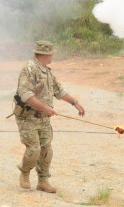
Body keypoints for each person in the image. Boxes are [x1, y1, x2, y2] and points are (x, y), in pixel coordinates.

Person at [12, 40, 85, 193]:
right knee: (34, 149)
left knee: (46, 150)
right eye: (52, 53)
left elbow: (59, 91)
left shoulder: (47, 71)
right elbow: (25, 95)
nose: (53, 56)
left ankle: (43, 181)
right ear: (45, 54)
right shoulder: (29, 69)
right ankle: (25, 173)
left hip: (43, 118)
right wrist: (44, 107)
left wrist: (75, 103)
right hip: (28, 117)